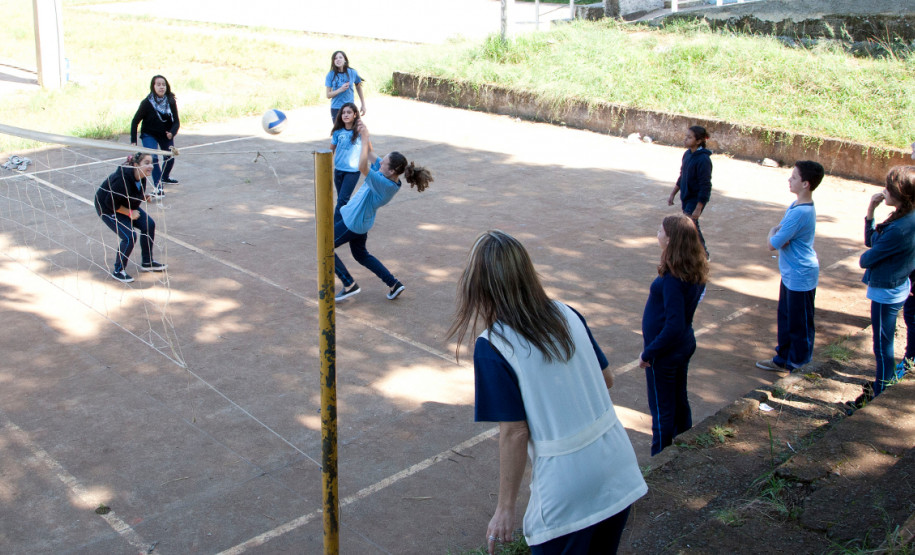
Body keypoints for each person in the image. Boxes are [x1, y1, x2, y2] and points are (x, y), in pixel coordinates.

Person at [448, 230, 646, 555]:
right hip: (618, 466)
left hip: (568, 487)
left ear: (478, 284)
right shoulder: (566, 311)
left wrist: (505, 508)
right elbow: (606, 378)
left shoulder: (493, 345)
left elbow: (514, 432)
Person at [333, 121, 432, 301]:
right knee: (361, 255)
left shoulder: (385, 185)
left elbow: (362, 166)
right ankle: (394, 284)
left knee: (325, 247)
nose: (380, 164)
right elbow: (370, 154)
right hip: (361, 222)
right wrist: (365, 133)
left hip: (353, 222)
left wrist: (363, 140)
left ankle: (349, 284)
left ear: (393, 170)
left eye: (384, 163)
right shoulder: (388, 174)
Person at [640, 214, 709, 456]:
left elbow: (674, 324)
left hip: (665, 352)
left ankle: (660, 458)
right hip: (682, 345)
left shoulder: (672, 279)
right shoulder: (692, 269)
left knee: (662, 409)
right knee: (679, 401)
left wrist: (649, 352)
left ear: (670, 240)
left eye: (661, 231)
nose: (657, 234)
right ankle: (684, 450)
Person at [854, 166, 915, 407]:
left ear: (901, 193)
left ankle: (882, 392)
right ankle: (883, 386)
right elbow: (872, 241)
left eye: (888, 188)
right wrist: (871, 211)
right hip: (898, 285)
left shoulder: (900, 229)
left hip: (886, 291)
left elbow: (865, 258)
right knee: (885, 342)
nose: (884, 191)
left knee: (882, 346)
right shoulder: (904, 218)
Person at [756, 161, 824, 373]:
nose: (789, 179)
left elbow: (773, 243)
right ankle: (783, 358)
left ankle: (799, 364)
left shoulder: (800, 213)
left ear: (806, 184)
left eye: (794, 177)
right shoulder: (796, 206)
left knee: (800, 322)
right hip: (791, 273)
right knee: (786, 317)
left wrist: (770, 231)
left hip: (800, 274)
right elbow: (781, 239)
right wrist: (776, 234)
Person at [94, 153, 168, 283]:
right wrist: (129, 213)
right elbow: (109, 203)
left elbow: (131, 192)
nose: (150, 166)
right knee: (129, 237)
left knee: (149, 225)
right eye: (146, 163)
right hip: (108, 208)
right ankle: (118, 270)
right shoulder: (121, 180)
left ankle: (147, 261)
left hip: (124, 205)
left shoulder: (142, 176)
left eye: (151, 162)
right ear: (135, 165)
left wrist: (143, 197)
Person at [130, 75, 180, 197]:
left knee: (170, 157)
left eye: (163, 84)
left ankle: (165, 177)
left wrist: (172, 133)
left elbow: (176, 122)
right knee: (154, 159)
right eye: (158, 84)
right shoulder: (147, 103)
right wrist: (133, 141)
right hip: (149, 134)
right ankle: (158, 188)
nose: (161, 87)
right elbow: (135, 121)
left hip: (165, 135)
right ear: (153, 87)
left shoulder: (170, 101)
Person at [667, 125, 713, 258]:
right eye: (686, 136)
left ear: (698, 141)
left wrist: (699, 207)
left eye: (689, 137)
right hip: (686, 197)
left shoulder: (704, 160)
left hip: (695, 199)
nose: (685, 139)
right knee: (689, 226)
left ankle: (703, 254)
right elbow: (682, 176)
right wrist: (673, 193)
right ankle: (693, 252)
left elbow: (705, 186)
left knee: (690, 225)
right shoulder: (687, 154)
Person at [329, 102, 362, 223]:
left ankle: (335, 227)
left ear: (355, 115)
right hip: (338, 170)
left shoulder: (359, 132)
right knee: (342, 200)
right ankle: (348, 219)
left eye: (349, 112)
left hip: (352, 172)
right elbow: (330, 150)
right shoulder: (338, 132)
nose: (345, 115)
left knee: (343, 199)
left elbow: (367, 150)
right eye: (343, 113)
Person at [325, 51, 365, 122]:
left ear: (345, 60)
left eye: (340, 57)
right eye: (335, 58)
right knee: (340, 132)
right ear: (333, 61)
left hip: (350, 107)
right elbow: (328, 95)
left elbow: (358, 86)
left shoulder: (352, 72)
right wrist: (340, 90)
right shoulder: (330, 75)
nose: (338, 59)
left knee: (356, 131)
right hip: (336, 108)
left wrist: (363, 104)